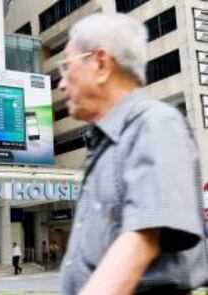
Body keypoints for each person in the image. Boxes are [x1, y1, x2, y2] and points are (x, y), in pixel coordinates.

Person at [58, 13, 208, 295]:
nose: (61, 84)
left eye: (66, 67)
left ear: (101, 64)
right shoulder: (104, 146)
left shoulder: (155, 124)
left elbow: (141, 241)